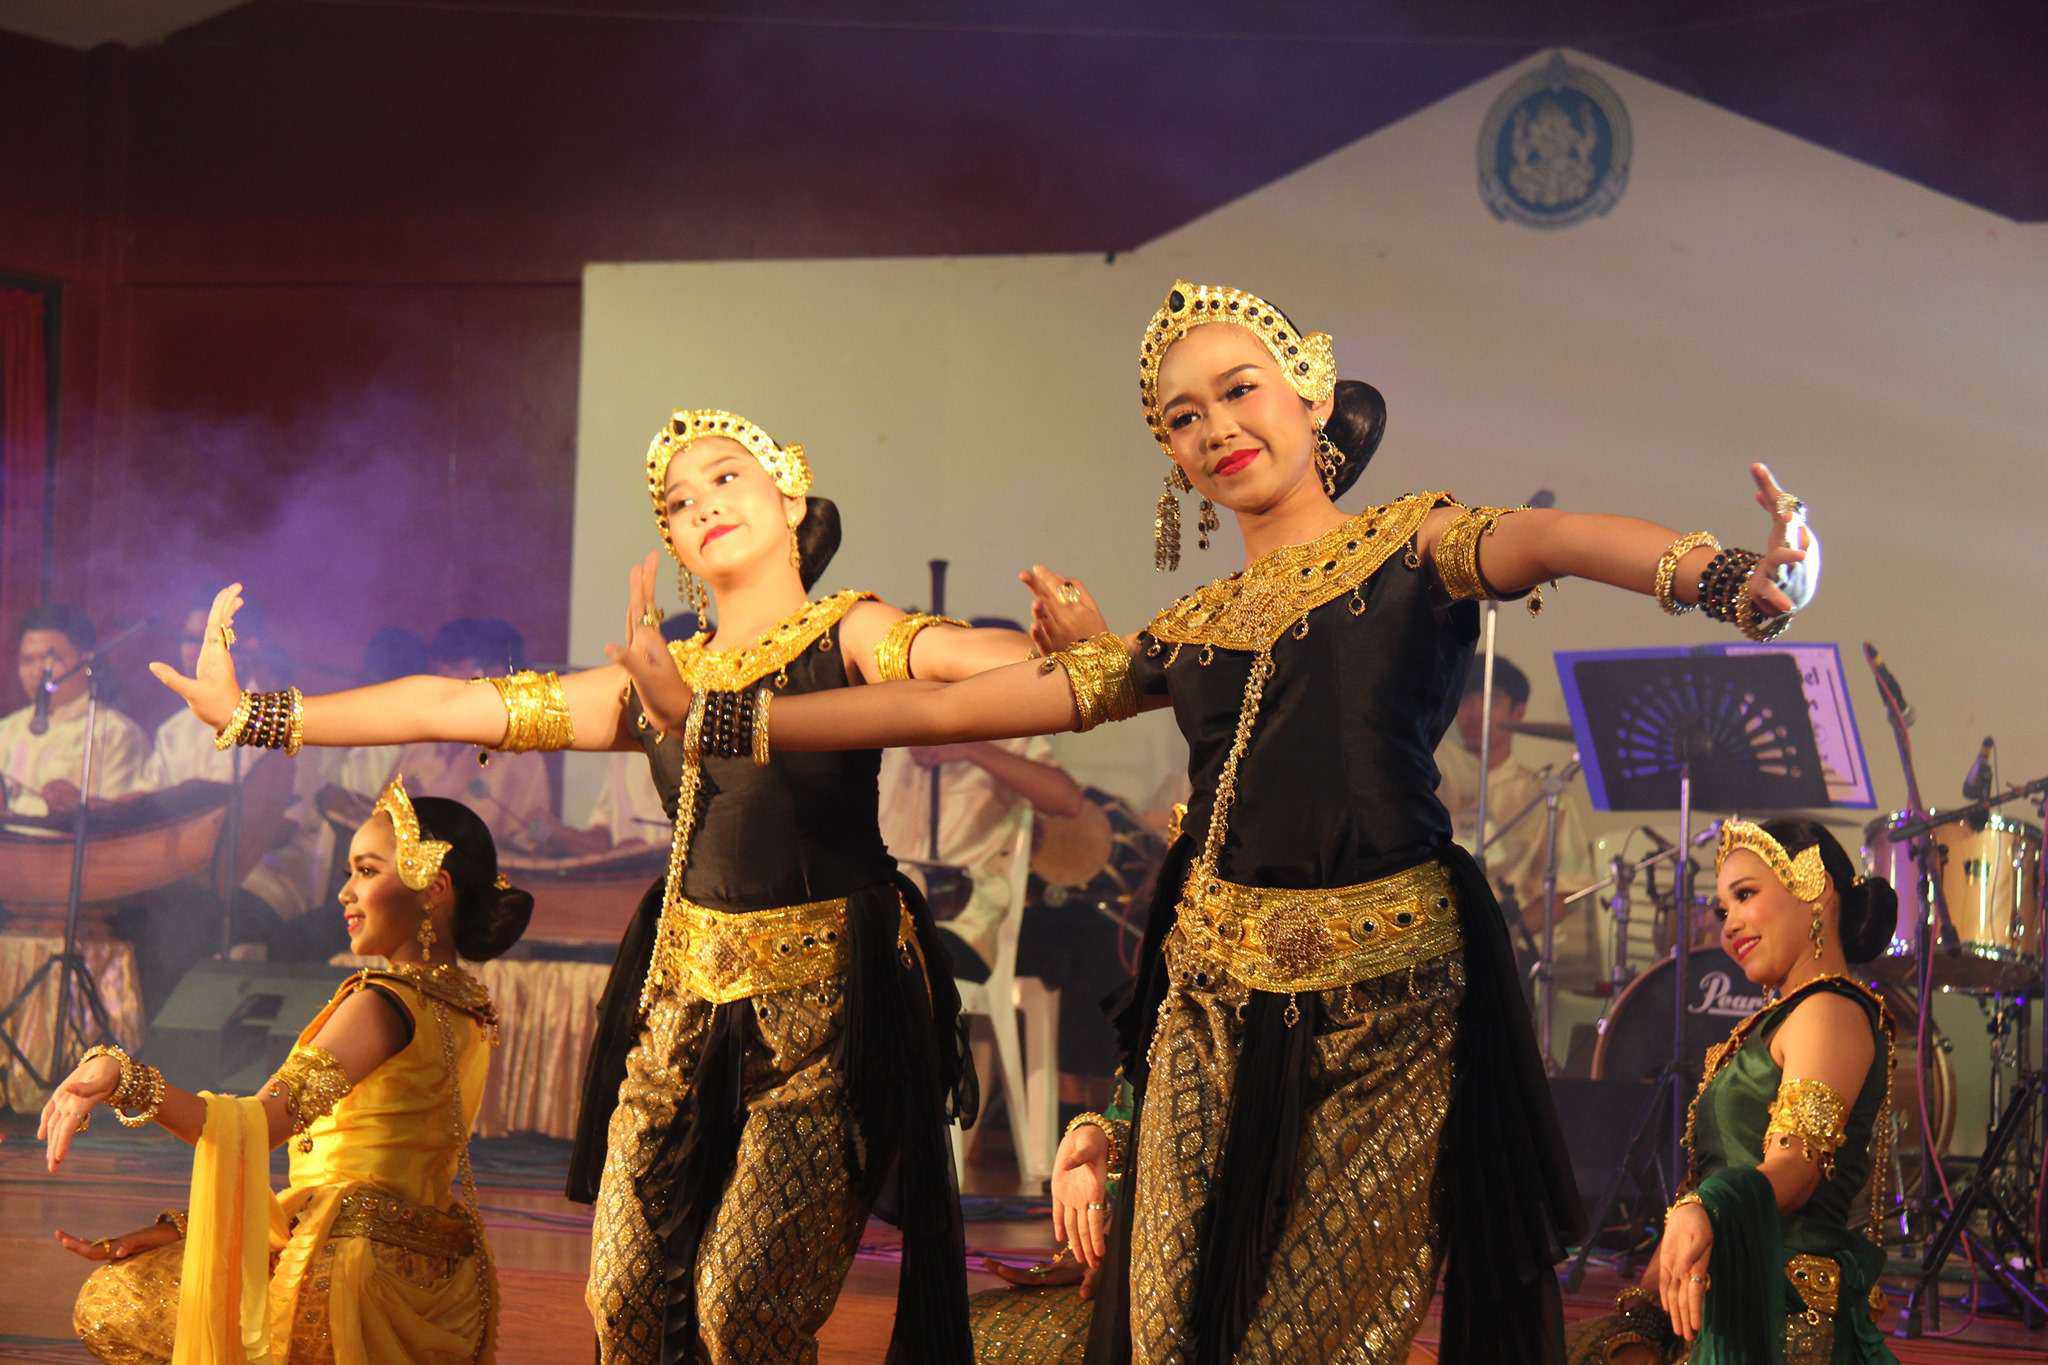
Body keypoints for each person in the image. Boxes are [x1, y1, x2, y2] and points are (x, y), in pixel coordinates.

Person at [614, 279, 1821, 1362]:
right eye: (1181, 418)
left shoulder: (1414, 544)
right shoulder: (1190, 627)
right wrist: (732, 718)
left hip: (1387, 1006)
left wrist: (1734, 578)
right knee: (1162, 1329)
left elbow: (1555, 538)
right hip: (1205, 1006)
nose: (1214, 428)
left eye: (1238, 391)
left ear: (1311, 397)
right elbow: (958, 705)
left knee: (1307, 1337)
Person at [152, 407, 1038, 1363]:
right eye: (678, 502)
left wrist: (1068, 653)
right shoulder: (652, 678)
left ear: (790, 497)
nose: (702, 504)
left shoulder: (850, 630)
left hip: (829, 1012)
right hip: (682, 1012)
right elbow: (455, 702)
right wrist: (256, 713)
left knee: (745, 1307)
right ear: (676, 549)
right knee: (624, 1298)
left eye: (726, 478)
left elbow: (977, 669)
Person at [40, 777, 527, 1363]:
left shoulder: (382, 1003)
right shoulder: (467, 1006)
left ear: (434, 889)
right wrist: (186, 1229)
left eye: (367, 871)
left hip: (352, 1280)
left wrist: (124, 1079)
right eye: (348, 872)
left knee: (113, 1300)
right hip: (434, 1274)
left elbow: (255, 1126)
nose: (345, 892)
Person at [1568, 819, 1901, 1363]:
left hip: (1777, 1316)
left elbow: (1795, 1167)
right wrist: (1643, 1316)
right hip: (1724, 1301)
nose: (1728, 928)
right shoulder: (1779, 1021)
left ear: (1814, 887)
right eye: (1723, 910)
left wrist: (1705, 1208)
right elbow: (1704, 1190)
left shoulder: (1831, 1009)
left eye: (1745, 895)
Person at [1434, 655, 1597, 978]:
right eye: (1465, 701)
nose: (1473, 713)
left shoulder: (1545, 796)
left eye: (1490, 701)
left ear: (1517, 712)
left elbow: (1566, 893)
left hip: (1510, 952)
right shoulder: (1435, 787)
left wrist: (1501, 934)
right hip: (1437, 940)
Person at [1, 604, 148, 821]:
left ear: (86, 660)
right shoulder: (6, 730)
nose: (38, 671)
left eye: (51, 658)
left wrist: (77, 805)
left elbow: (122, 823)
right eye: (27, 660)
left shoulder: (117, 734)